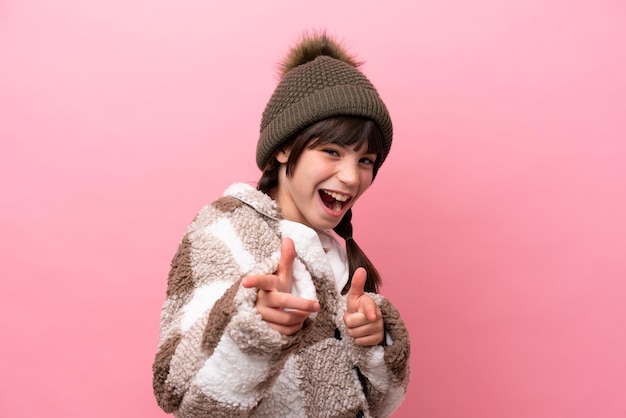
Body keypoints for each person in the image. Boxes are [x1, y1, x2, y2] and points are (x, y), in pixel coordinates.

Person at [152, 31, 410, 418]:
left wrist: (374, 343)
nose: (352, 177)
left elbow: (375, 403)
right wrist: (253, 328)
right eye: (332, 151)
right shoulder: (225, 232)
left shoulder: (336, 253)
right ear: (285, 148)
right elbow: (175, 386)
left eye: (366, 160)